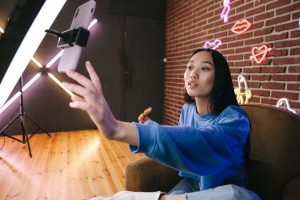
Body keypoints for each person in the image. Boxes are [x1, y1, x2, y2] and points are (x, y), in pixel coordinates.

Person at [63, 48, 261, 200]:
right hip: (192, 184)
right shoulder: (188, 109)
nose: (193, 74)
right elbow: (182, 138)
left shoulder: (236, 118)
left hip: (226, 192)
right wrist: (153, 126)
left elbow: (202, 143)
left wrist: (118, 128)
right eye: (190, 67)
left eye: (205, 68)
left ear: (219, 78)